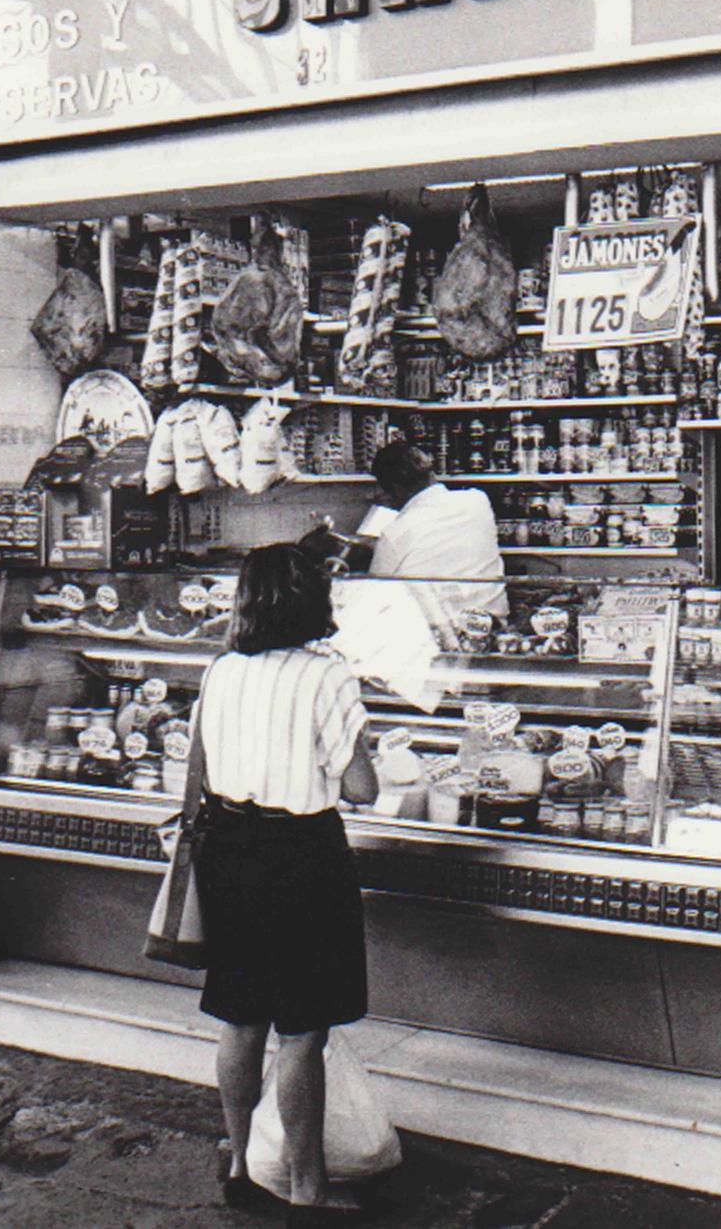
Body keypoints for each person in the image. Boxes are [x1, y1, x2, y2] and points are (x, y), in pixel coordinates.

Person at [188, 543, 378, 1224]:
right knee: (302, 1029)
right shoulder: (328, 675)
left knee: (240, 1016)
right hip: (300, 856)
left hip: (230, 850)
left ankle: (240, 1161)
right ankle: (306, 1187)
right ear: (313, 601)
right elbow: (362, 788)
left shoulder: (221, 670)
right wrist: (363, 748)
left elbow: (203, 764)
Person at [367, 441, 509, 634]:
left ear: (394, 488)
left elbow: (375, 596)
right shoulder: (478, 501)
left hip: (436, 638)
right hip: (493, 629)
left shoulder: (395, 532)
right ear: (431, 474)